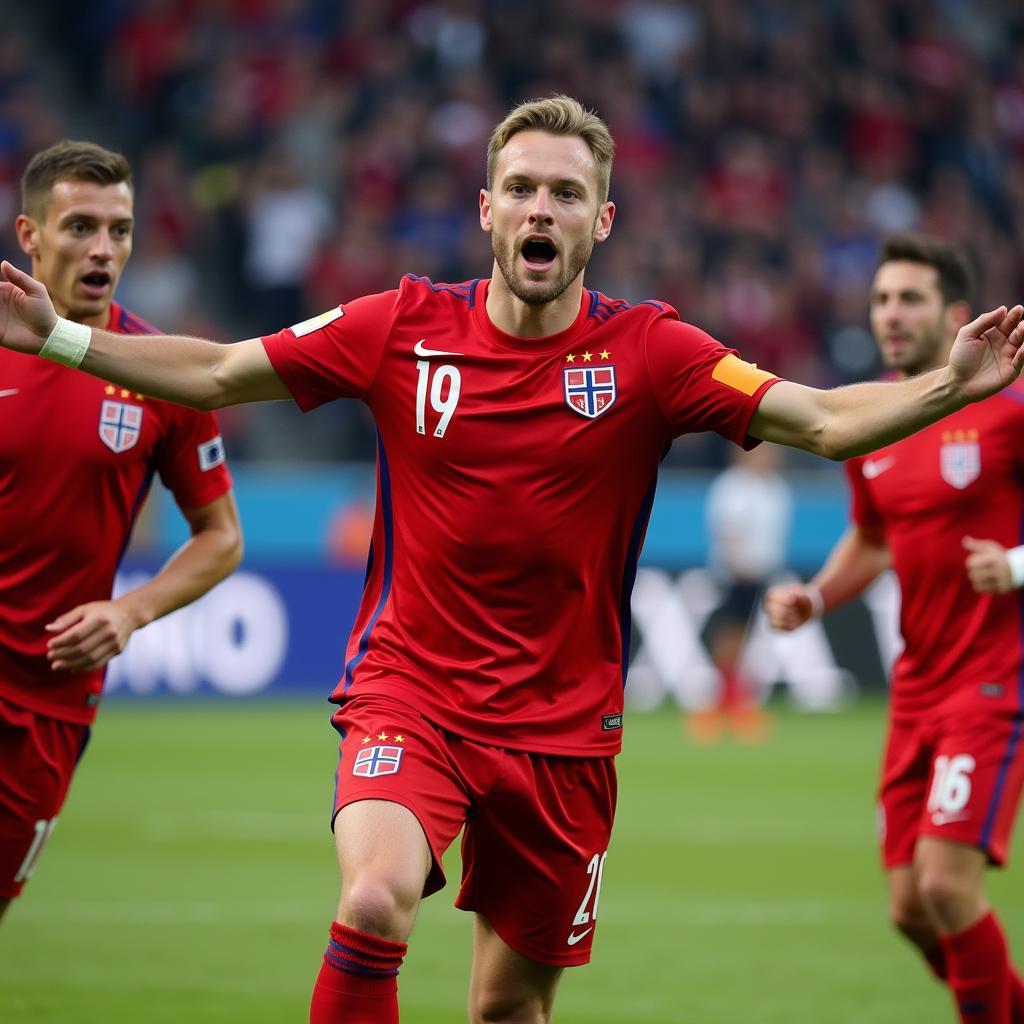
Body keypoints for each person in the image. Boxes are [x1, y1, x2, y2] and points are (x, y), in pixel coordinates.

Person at [0, 100, 1022, 1023]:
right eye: (524, 189)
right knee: (371, 897)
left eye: (567, 194)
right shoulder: (399, 326)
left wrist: (948, 385)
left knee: (506, 1007)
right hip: (415, 693)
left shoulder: (654, 354)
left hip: (565, 732)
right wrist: (62, 342)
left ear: (600, 222)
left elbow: (828, 418)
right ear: (487, 210)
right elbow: (222, 371)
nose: (542, 209)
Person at [765, 233, 1024, 1024]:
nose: (890, 314)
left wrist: (1015, 567)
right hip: (916, 690)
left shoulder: (1006, 414)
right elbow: (873, 539)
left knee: (947, 886)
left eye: (909, 299)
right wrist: (816, 597)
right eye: (881, 300)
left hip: (992, 679)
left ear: (955, 316)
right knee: (910, 909)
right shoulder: (873, 420)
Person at [0, 140, 242, 922]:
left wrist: (130, 612)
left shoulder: (157, 373)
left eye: (121, 230)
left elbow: (221, 536)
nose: (104, 249)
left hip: (49, 699)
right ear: (29, 235)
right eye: (79, 227)